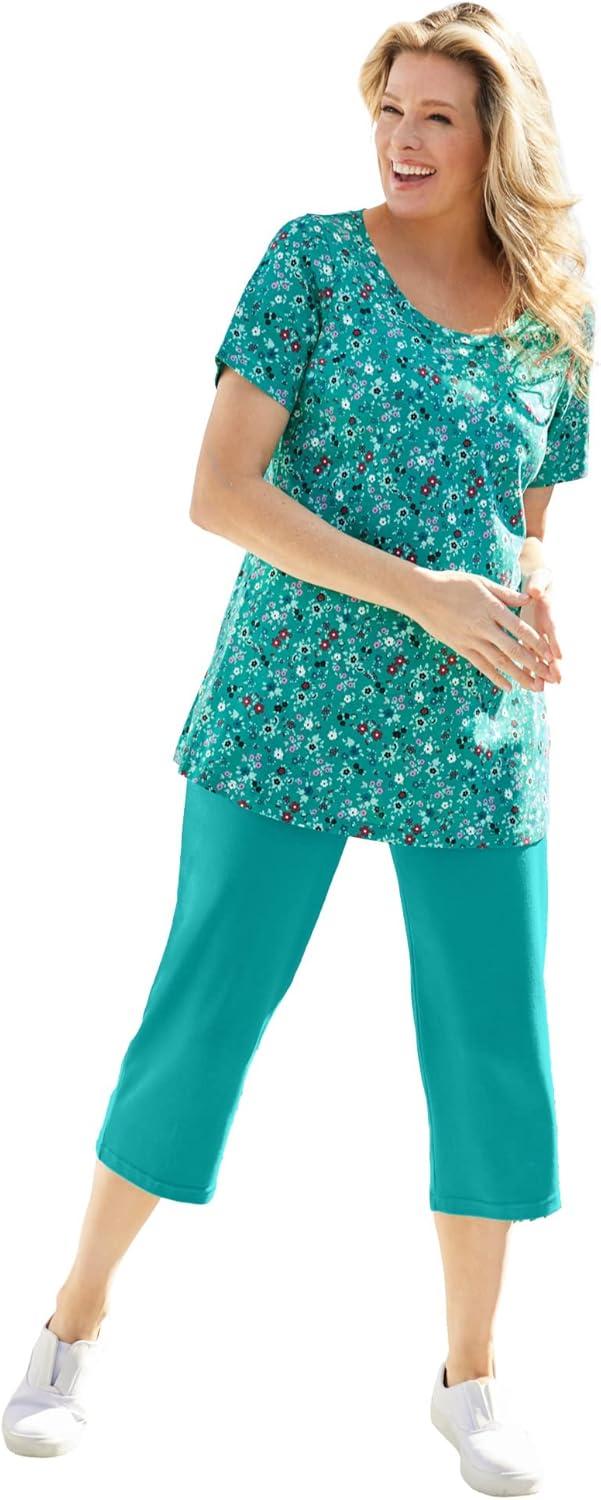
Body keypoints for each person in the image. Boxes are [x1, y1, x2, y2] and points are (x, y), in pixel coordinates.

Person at [3, 5, 594, 1491]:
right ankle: (72, 1325)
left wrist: (521, 603)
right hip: (287, 707)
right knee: (204, 1009)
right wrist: (424, 593)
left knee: (491, 1045)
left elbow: (523, 527)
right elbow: (220, 491)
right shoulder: (312, 262)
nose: (403, 139)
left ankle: (471, 1380)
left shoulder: (554, 316)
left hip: (470, 729)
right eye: (390, 109)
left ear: (498, 137)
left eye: (437, 115)